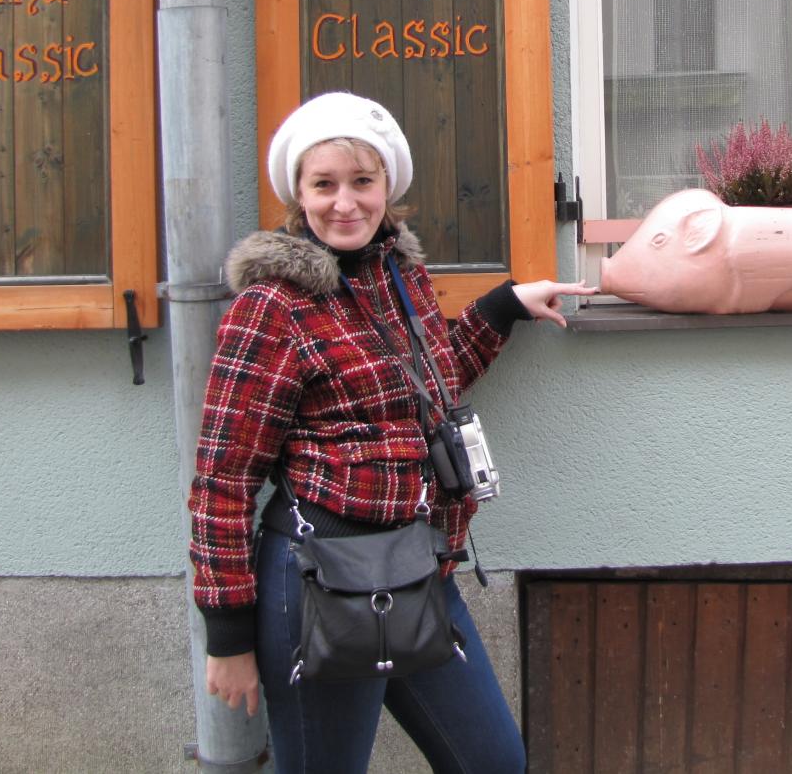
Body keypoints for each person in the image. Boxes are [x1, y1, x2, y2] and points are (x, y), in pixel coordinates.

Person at [188, 91, 592, 774]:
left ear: (387, 188)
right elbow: (222, 479)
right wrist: (227, 634)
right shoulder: (273, 306)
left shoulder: (400, 279)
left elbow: (423, 391)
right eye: (324, 185)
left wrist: (503, 307)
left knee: (492, 761)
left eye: (361, 181)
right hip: (320, 580)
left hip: (416, 565)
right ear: (299, 196)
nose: (345, 203)